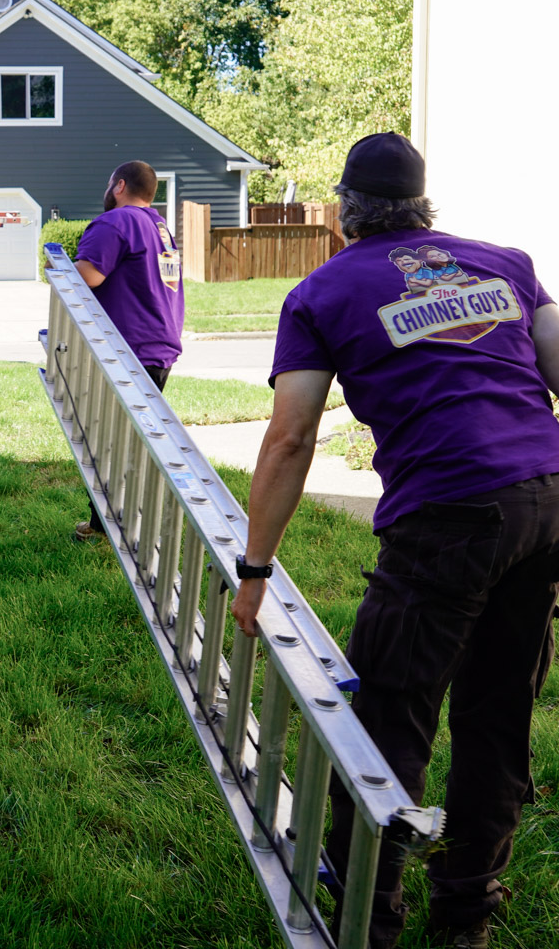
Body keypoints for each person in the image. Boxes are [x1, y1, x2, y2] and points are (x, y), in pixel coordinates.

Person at [229, 132, 559, 948]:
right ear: (422, 204)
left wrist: (254, 567)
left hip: (447, 516)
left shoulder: (321, 293)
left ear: (345, 210)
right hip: (547, 506)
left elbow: (291, 438)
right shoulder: (505, 263)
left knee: (388, 722)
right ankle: (466, 917)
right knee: (497, 712)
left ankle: (367, 922)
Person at [72, 160, 185, 541]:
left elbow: (86, 277)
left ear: (119, 185)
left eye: (109, 184)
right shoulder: (160, 228)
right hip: (157, 348)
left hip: (128, 349)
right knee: (128, 440)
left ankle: (110, 527)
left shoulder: (116, 223)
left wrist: (56, 265)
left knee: (107, 440)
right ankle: (109, 523)